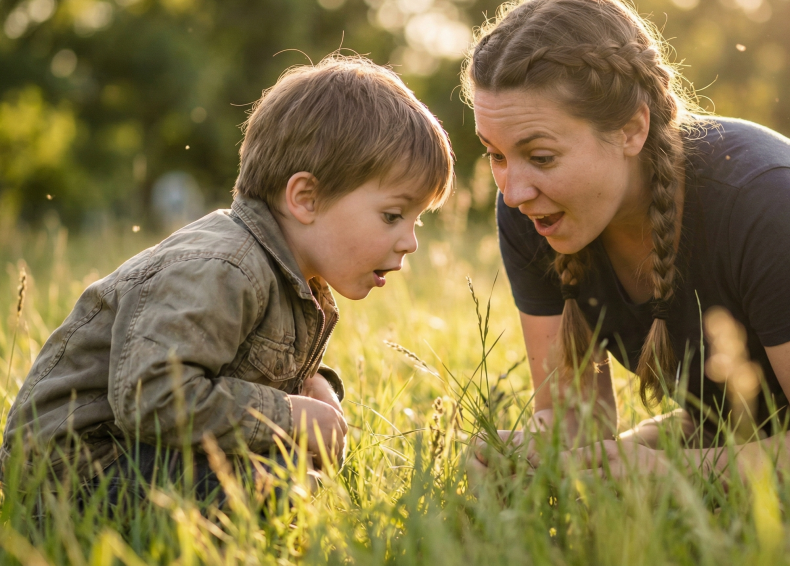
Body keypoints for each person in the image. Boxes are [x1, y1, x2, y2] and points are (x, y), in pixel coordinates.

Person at [462, 0, 790, 480]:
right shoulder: (534, 213)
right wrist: (529, 453)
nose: (513, 191)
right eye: (495, 154)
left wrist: (672, 474)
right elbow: (577, 421)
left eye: (541, 157)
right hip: (740, 430)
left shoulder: (766, 198)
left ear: (630, 130)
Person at [0, 55, 455, 504]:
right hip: (75, 469)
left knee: (284, 476)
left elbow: (234, 369)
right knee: (268, 490)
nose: (409, 242)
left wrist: (308, 384)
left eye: (416, 221)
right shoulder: (224, 267)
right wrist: (289, 414)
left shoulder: (293, 274)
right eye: (392, 215)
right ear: (306, 198)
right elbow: (152, 395)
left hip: (139, 452)